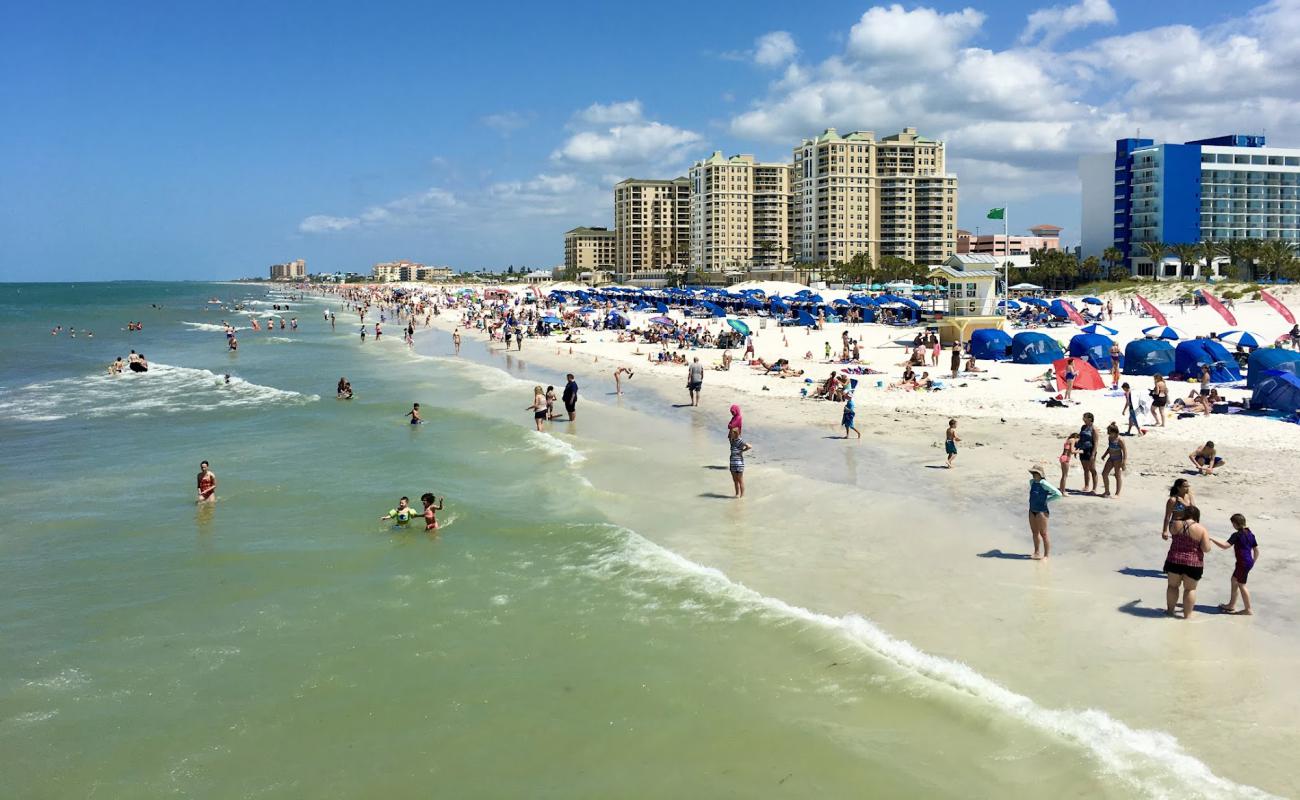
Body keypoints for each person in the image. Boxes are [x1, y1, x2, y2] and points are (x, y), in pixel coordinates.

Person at [1163, 505, 1211, 619]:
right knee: (1190, 589)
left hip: (1174, 560)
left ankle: (1170, 611)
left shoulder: (1175, 524)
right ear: (1197, 516)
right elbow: (1206, 549)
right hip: (1193, 563)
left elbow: (1171, 532)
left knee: (1172, 586)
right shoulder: (1201, 529)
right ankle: (1187, 616)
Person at [1209, 514, 1258, 615]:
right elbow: (1256, 550)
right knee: (1234, 580)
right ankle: (1231, 605)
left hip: (1242, 563)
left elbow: (1225, 546)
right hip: (1247, 562)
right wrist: (1253, 562)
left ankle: (1248, 609)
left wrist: (1212, 539)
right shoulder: (1250, 534)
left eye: (1233, 524)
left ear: (1236, 524)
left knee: (1241, 585)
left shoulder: (1237, 535)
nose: (1233, 526)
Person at [1027, 465, 1063, 560]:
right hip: (1032, 510)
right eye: (1033, 473)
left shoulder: (1044, 483)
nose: (1034, 475)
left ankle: (1046, 556)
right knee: (1034, 532)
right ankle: (1036, 552)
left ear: (1040, 474)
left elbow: (1058, 494)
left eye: (1036, 473)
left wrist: (1047, 500)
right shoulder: (1032, 482)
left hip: (1041, 511)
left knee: (1044, 534)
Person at [1100, 423, 1127, 498]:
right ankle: (1107, 491)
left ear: (1115, 432)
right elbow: (1109, 448)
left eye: (1109, 432)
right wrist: (1104, 455)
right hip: (1111, 458)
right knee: (1104, 474)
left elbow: (1124, 451)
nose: (1108, 433)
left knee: (1117, 475)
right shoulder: (1110, 438)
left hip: (1118, 459)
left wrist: (1124, 462)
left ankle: (1117, 493)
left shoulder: (1120, 440)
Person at [728, 426, 751, 498]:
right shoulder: (732, 441)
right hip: (732, 464)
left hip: (739, 464)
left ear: (736, 433)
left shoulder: (740, 441)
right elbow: (728, 436)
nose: (731, 434)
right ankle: (737, 494)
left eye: (732, 433)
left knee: (740, 480)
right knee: (735, 481)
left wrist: (742, 451)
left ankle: (742, 495)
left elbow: (749, 446)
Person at [1077, 412, 1098, 494]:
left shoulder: (1094, 429)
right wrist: (1077, 448)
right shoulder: (1083, 427)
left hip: (1090, 450)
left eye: (1084, 417)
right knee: (1085, 469)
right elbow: (1080, 438)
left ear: (1090, 418)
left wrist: (1093, 454)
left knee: (1092, 469)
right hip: (1082, 450)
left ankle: (1094, 488)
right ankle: (1086, 486)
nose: (1083, 419)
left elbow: (1096, 443)